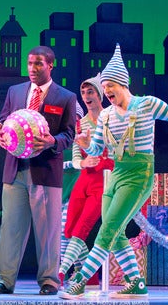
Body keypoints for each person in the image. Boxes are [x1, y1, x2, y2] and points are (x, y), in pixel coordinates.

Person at [61, 44, 168, 300]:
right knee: (116, 233)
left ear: (123, 84)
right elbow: (96, 149)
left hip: (139, 175)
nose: (107, 91)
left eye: (111, 85)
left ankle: (80, 280)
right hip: (115, 175)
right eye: (104, 87)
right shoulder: (107, 115)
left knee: (107, 230)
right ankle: (136, 283)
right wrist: (85, 144)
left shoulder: (146, 105)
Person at [0, 45, 77, 296]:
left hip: (45, 172)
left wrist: (52, 141)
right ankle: (5, 280)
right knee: (10, 228)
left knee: (48, 231)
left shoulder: (65, 97)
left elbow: (69, 134)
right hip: (15, 170)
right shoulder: (15, 91)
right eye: (29, 63)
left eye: (38, 63)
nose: (32, 68)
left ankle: (49, 280)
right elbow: (2, 121)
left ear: (50, 66)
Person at [58, 74, 114, 289]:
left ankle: (61, 272)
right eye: (83, 92)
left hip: (104, 180)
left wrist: (99, 158)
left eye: (90, 92)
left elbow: (118, 153)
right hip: (84, 180)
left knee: (82, 228)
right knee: (69, 228)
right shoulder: (80, 125)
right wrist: (83, 162)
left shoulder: (111, 119)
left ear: (100, 95)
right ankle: (85, 275)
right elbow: (75, 155)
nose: (86, 96)